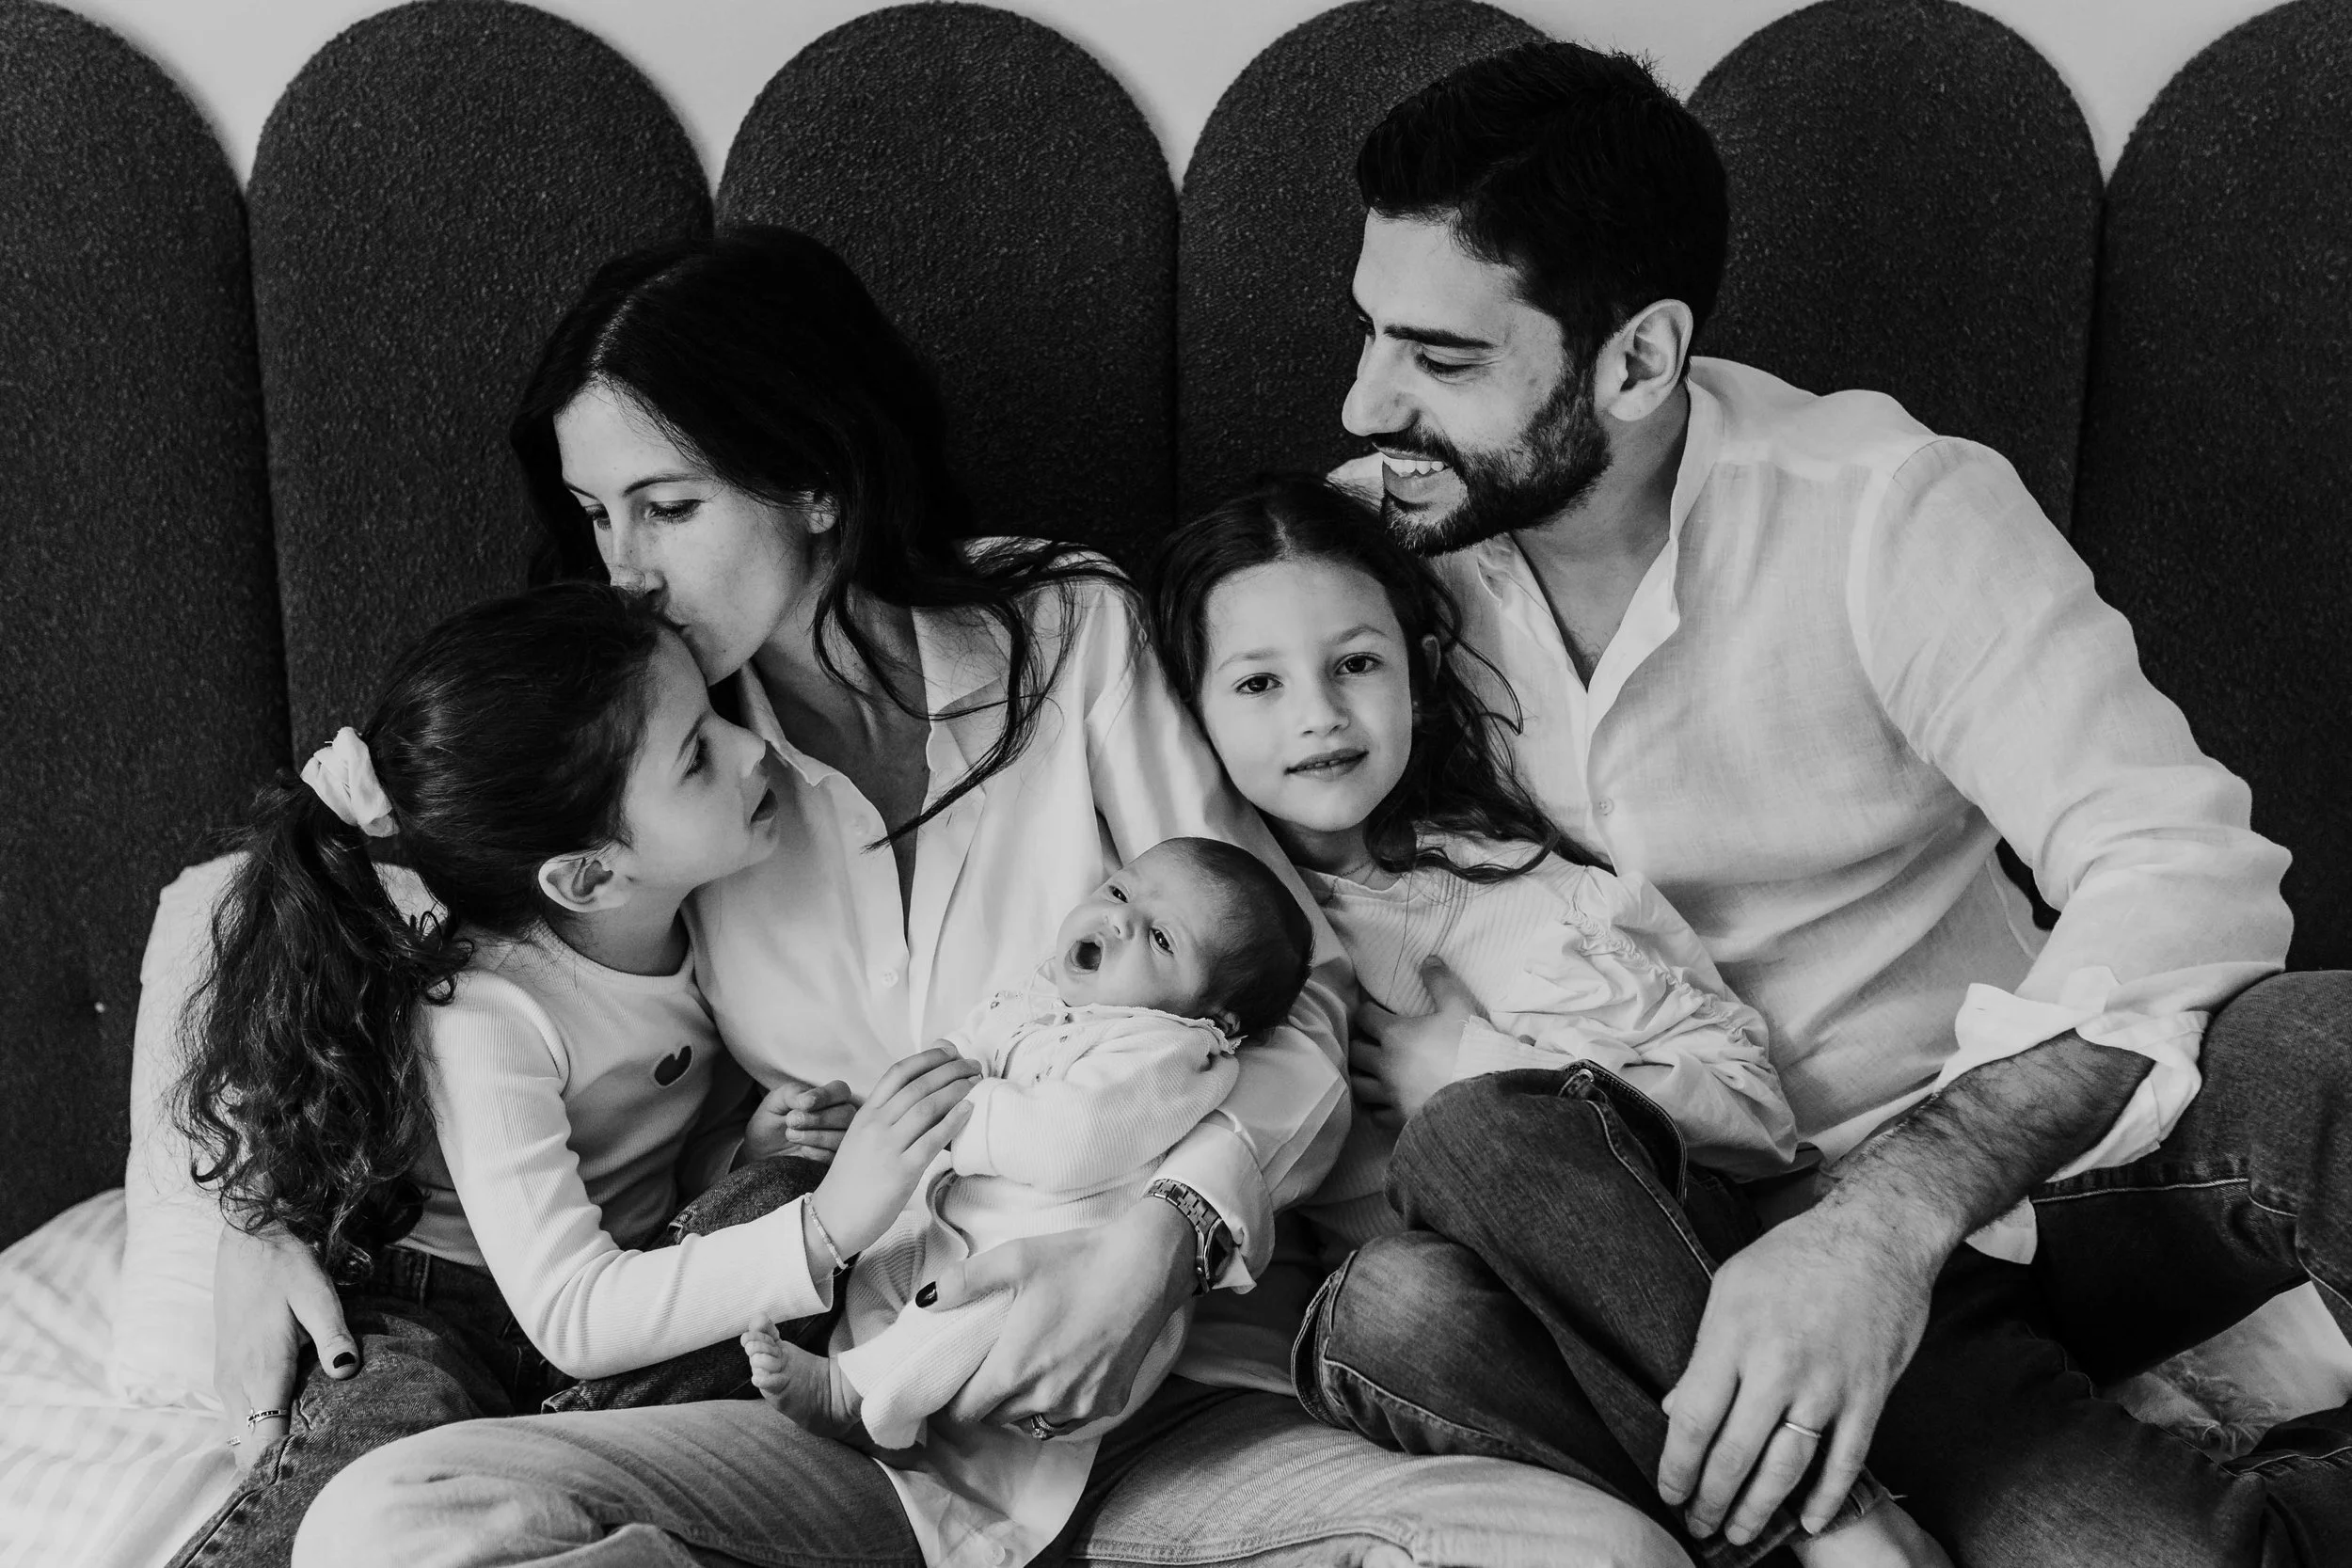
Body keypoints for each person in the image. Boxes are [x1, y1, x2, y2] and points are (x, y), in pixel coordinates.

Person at [277, 227, 1687, 1568]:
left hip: (1175, 1407)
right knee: (395, 1517)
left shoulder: (1070, 633)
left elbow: (1296, 990)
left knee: (1594, 1551)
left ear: (813, 479)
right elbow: (286, 890)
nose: (625, 570)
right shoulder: (648, 766)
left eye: (669, 506)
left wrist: (1167, 1233)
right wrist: (230, 1225)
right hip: (868, 1425)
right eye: (597, 515)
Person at [1319, 38, 2347, 1568]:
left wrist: (1885, 1221)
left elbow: (2178, 861)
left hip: (1999, 1176)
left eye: (1442, 359)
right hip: (1661, 1256)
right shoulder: (1350, 579)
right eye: (1369, 332)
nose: (1363, 403)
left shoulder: (1886, 511)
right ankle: (1865, 1494)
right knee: (1402, 1312)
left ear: (1639, 361)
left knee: (2328, 1040)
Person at [1150, 472, 1944, 1567]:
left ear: (1422, 673)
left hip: (1658, 1280)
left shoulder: (1526, 893)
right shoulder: (1188, 939)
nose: (1318, 713)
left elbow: (1758, 1119)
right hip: (1475, 1357)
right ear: (1188, 712)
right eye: (1256, 682)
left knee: (1471, 1121)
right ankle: (1805, 1529)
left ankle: (1836, 1525)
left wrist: (1484, 1065)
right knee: (1385, 1297)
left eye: (1356, 663)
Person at [164, 581, 983, 1567]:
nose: (752, 748)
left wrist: (743, 1150)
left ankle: (554, 1454)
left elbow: (662, 1174)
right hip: (442, 1307)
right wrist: (829, 1224)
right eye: (697, 754)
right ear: (588, 875)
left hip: (614, 1302)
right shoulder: (485, 1008)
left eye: (718, 718)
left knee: (777, 1194)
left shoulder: (710, 923)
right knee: (368, 1462)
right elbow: (570, 1308)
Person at [743, 837, 1312, 1563]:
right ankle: (882, 1400)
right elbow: (959, 1052)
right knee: (890, 1266)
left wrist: (948, 1116)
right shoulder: (1037, 996)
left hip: (1063, 1289)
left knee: (980, 1308)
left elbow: (1069, 1140)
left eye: (1162, 938)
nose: (1121, 920)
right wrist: (887, 1110)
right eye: (1119, 891)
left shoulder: (1168, 1052)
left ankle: (851, 1393)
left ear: (1219, 1019)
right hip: (962, 1225)